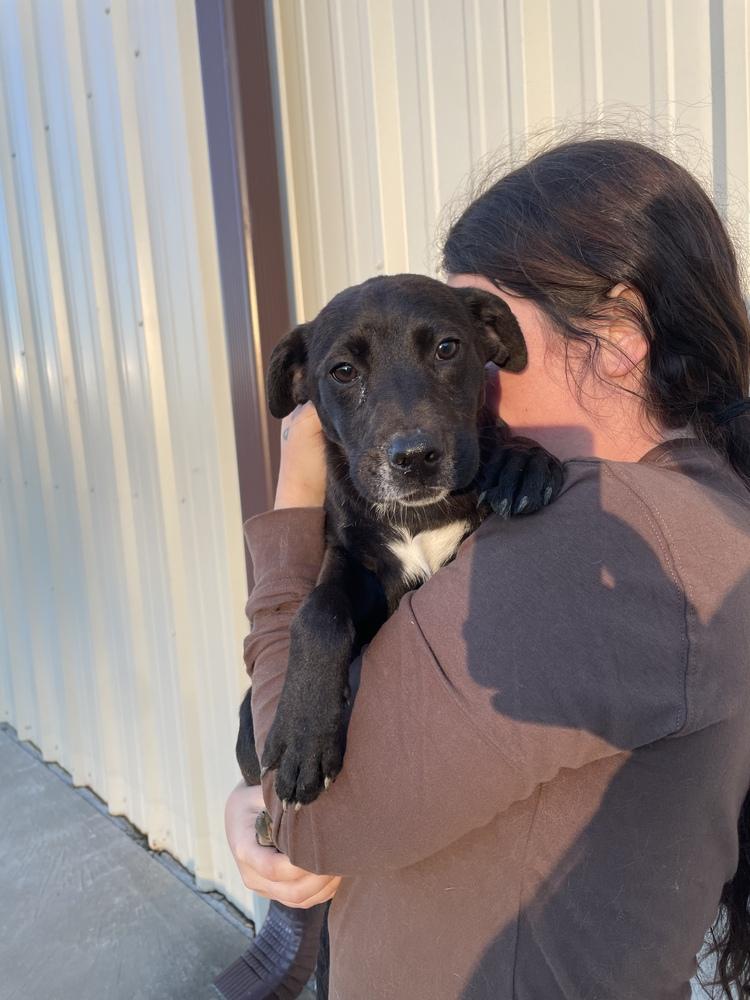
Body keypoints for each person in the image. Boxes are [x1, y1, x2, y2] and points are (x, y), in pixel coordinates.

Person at [224, 137, 750, 999]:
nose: (443, 393)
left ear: (617, 339)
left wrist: (292, 504)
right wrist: (254, 784)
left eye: (460, 343)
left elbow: (309, 819)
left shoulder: (606, 545)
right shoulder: (674, 494)